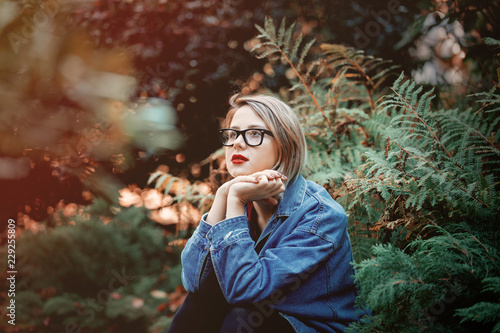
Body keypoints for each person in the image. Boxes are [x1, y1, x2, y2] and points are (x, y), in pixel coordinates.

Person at [167, 93, 368, 333]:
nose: (237, 143)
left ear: (284, 144)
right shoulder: (240, 200)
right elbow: (195, 283)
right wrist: (223, 195)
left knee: (244, 318)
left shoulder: (320, 215)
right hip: (263, 316)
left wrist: (235, 199)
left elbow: (247, 290)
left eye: (254, 133)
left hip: (314, 326)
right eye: (232, 134)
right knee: (197, 306)